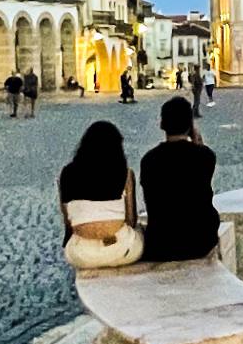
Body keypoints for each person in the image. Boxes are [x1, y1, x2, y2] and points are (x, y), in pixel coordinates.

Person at [139, 97, 221, 261]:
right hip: (200, 241)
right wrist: (198, 143)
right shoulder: (205, 156)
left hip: (161, 243)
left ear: (162, 124)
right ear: (190, 126)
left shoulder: (149, 160)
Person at [59, 121, 143, 270]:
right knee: (140, 231)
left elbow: (69, 222)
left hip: (82, 254)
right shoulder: (125, 173)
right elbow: (130, 220)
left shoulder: (66, 174)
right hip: (122, 250)